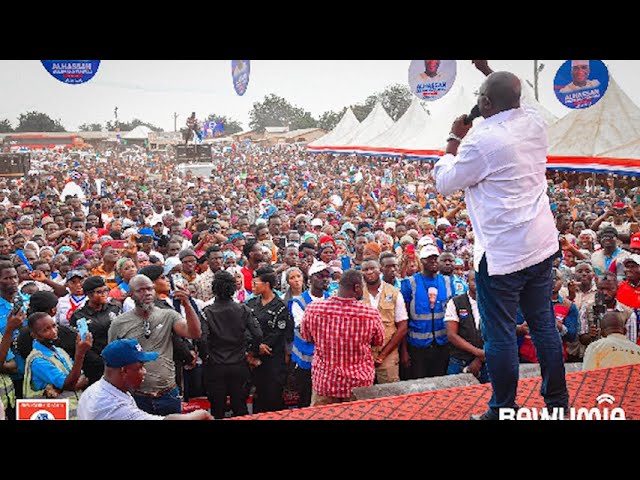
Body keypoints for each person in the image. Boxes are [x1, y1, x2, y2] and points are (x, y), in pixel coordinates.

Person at [433, 60, 569, 420]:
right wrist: (487, 70)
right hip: (540, 248)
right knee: (543, 326)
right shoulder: (535, 123)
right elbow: (515, 96)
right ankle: (558, 403)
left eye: (481, 98)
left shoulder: (481, 140)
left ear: (487, 105)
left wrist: (454, 139)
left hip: (502, 256)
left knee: (501, 336)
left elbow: (446, 182)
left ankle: (503, 408)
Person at [107, 274, 202, 416]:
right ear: (131, 294)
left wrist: (187, 304)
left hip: (168, 393)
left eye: (150, 289)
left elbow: (194, 333)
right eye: (141, 290)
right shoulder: (119, 323)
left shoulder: (168, 315)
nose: (147, 293)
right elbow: (111, 362)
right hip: (137, 396)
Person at [301, 269, 384, 406]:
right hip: (358, 385)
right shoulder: (370, 314)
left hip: (325, 382)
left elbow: (307, 337)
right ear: (357, 288)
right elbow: (378, 341)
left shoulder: (314, 309)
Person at [77, 339, 213, 420]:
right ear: (124, 370)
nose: (145, 372)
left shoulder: (96, 390)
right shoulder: (110, 405)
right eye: (140, 367)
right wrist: (196, 416)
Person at [201, 270, 262, 419]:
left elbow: (202, 339)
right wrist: (251, 353)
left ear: (214, 288)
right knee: (240, 407)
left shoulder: (207, 312)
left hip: (216, 365)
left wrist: (206, 357)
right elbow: (258, 334)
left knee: (217, 410)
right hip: (239, 364)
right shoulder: (243, 309)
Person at [23, 312, 93, 419]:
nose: (54, 331)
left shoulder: (60, 351)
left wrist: (68, 385)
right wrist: (80, 354)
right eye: (46, 330)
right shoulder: (38, 360)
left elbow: (83, 377)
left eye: (54, 326)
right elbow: (69, 384)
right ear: (34, 335)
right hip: (55, 414)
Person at [246, 266, 293, 413]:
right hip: (253, 358)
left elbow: (280, 332)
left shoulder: (280, 307)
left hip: (274, 360)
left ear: (266, 285)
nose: (253, 286)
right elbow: (245, 328)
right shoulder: (251, 304)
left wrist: (264, 345)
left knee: (273, 397)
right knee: (257, 398)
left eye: (256, 283)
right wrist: (256, 347)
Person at [288, 260, 331, 408]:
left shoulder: (331, 298)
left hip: (328, 360)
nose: (325, 278)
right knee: (306, 399)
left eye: (327, 275)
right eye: (320, 276)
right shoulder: (298, 302)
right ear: (310, 279)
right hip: (306, 359)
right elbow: (304, 330)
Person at [361, 259, 408, 384]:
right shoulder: (357, 294)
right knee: (363, 392)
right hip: (362, 354)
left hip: (388, 352)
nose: (369, 272)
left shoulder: (394, 293)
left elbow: (402, 326)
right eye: (365, 270)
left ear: (380, 269)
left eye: (372, 268)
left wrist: (383, 355)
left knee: (390, 392)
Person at [69, 276, 121, 385]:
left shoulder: (114, 309)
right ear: (89, 294)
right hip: (94, 365)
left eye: (105, 290)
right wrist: (98, 361)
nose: (104, 294)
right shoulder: (79, 316)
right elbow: (79, 343)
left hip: (116, 359)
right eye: (99, 292)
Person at [444, 270, 489, 383]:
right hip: (459, 361)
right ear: (467, 281)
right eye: (474, 280)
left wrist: (479, 358)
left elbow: (497, 331)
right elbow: (451, 335)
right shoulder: (455, 302)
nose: (478, 283)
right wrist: (477, 352)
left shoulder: (491, 302)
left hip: (486, 361)